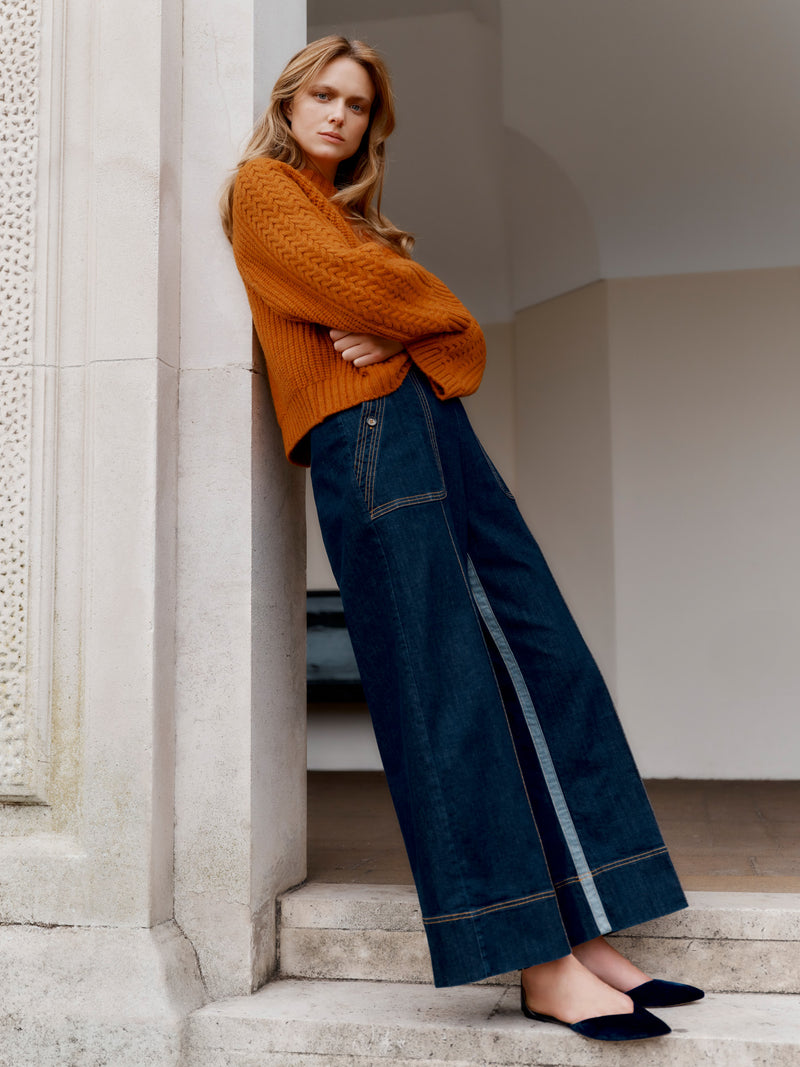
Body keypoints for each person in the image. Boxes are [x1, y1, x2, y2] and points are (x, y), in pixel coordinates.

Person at [221, 35, 703, 1042]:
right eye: (323, 94)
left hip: (433, 427)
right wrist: (423, 318)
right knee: (446, 687)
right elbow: (396, 304)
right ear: (291, 99)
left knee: (541, 653)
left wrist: (420, 325)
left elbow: (454, 338)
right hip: (367, 436)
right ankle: (533, 958)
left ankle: (587, 914)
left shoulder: (353, 222)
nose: (337, 115)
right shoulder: (263, 191)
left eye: (356, 104)